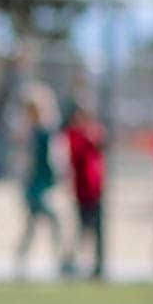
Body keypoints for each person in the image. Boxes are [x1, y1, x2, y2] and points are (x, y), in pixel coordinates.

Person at [13, 82, 63, 280]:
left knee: (33, 226)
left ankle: (22, 259)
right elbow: (27, 160)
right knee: (51, 220)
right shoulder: (31, 134)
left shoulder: (45, 132)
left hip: (42, 183)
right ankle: (59, 258)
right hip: (34, 186)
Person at [62, 99, 106, 280]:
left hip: (96, 189)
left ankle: (98, 265)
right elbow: (76, 155)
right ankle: (72, 263)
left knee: (97, 230)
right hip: (82, 190)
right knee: (82, 229)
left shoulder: (94, 132)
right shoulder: (73, 135)